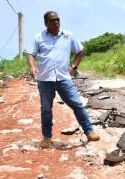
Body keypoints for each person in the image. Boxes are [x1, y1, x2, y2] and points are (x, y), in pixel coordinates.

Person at [26, 11, 99, 149]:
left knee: (77, 104)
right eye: (53, 20)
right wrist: (32, 66)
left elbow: (79, 52)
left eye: (58, 20)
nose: (56, 22)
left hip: (63, 78)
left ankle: (89, 131)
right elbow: (30, 53)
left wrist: (74, 67)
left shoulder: (68, 36)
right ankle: (46, 138)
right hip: (45, 79)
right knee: (46, 109)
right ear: (46, 23)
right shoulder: (39, 37)